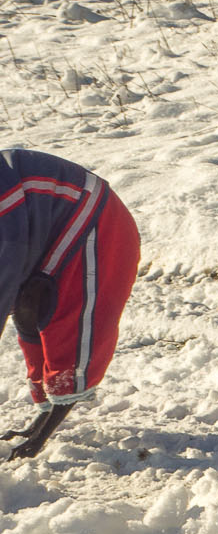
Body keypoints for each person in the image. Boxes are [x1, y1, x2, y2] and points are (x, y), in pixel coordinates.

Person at [2, 148, 141, 460]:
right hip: (48, 229)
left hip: (97, 223)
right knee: (27, 315)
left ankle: (46, 429)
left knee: (67, 325)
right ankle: (43, 418)